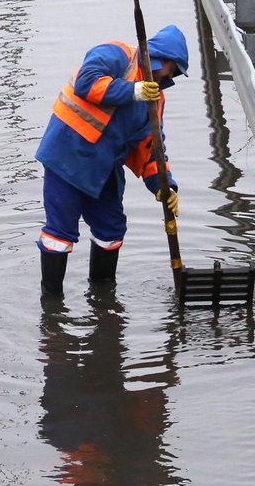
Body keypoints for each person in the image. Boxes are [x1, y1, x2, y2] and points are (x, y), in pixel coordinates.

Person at [35, 24, 189, 299]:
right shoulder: (117, 55)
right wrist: (133, 91)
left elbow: (150, 148)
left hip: (105, 168)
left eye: (175, 72)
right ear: (161, 57)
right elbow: (87, 83)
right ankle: (52, 302)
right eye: (171, 67)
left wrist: (165, 186)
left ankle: (103, 299)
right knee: (60, 233)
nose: (170, 75)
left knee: (112, 229)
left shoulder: (155, 99)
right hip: (67, 158)